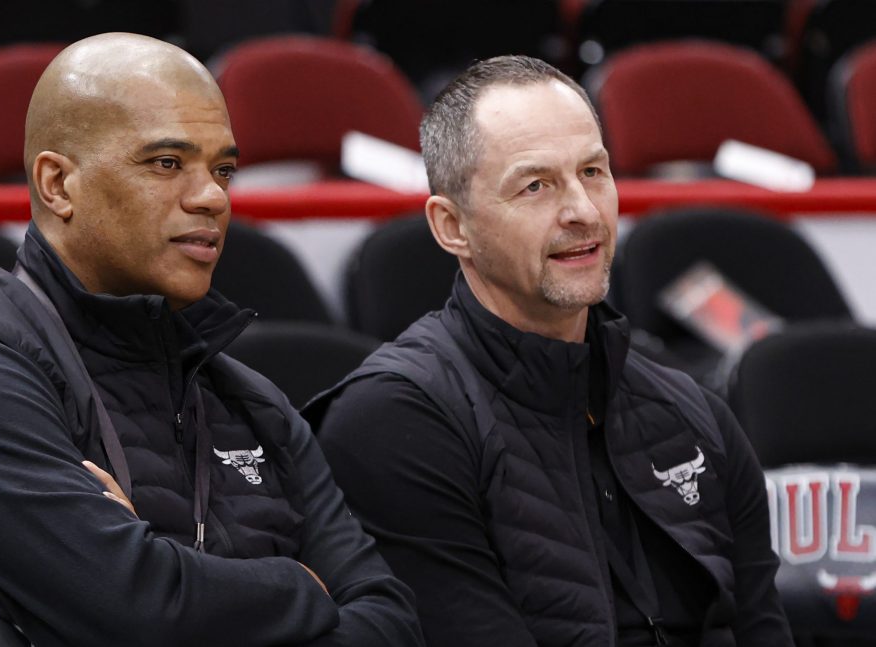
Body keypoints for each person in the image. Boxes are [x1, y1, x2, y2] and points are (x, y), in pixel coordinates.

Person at [0, 33, 422, 646]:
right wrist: (305, 588)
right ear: (57, 184)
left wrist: (173, 583)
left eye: (224, 169)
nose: (212, 197)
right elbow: (138, 611)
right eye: (166, 163)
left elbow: (390, 621)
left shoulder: (251, 401)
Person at [307, 56, 792, 646]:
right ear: (452, 227)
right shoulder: (391, 421)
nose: (583, 212)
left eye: (593, 171)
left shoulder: (695, 411)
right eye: (536, 185)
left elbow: (765, 629)